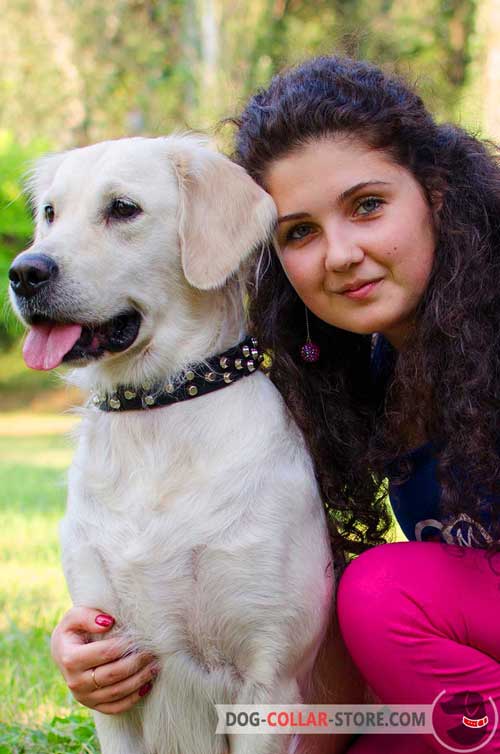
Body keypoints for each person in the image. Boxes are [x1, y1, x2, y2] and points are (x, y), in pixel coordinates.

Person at [51, 56, 500, 752]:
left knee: (382, 590)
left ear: (437, 193)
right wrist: (91, 650)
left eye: (368, 206)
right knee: (359, 688)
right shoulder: (352, 375)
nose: (341, 253)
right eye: (299, 232)